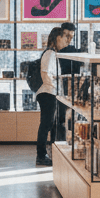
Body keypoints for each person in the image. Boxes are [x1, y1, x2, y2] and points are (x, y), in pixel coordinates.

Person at [36, 27, 70, 167]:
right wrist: (56, 89)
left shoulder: (53, 53)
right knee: (46, 125)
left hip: (50, 92)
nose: (66, 41)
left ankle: (46, 154)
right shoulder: (50, 53)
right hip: (48, 93)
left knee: (49, 125)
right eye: (64, 37)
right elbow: (45, 75)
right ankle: (41, 156)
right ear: (57, 38)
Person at [54, 22, 80, 141]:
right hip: (59, 90)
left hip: (72, 90)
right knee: (60, 119)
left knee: (71, 120)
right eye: (66, 36)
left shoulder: (73, 50)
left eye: (71, 37)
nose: (69, 39)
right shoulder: (56, 50)